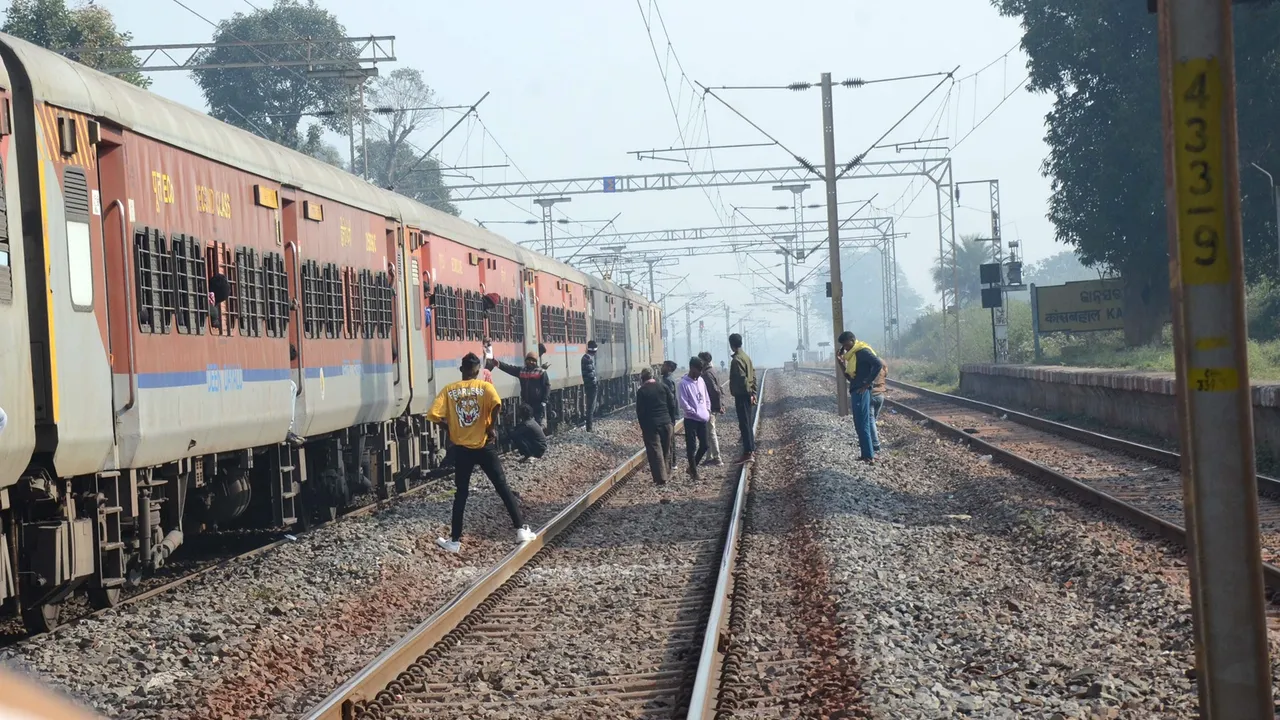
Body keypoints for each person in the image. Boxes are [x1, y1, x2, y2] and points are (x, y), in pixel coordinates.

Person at [429, 353, 536, 553]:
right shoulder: (485, 387)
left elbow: (434, 415)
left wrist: (449, 429)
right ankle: (521, 529)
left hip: (462, 449)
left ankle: (454, 541)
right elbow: (497, 404)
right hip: (485, 446)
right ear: (478, 371)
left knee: (461, 493)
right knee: (502, 486)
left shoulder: (449, 390)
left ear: (461, 370)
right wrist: (490, 427)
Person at [838, 331, 885, 463]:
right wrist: (841, 363)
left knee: (863, 423)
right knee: (858, 423)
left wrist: (867, 383)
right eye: (843, 346)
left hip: (861, 391)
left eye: (846, 345)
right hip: (856, 390)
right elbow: (849, 377)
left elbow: (878, 364)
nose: (845, 348)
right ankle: (865, 454)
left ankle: (869, 455)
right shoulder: (853, 356)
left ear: (852, 341)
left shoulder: (862, 351)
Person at [635, 367, 677, 486]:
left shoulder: (642, 391)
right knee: (666, 449)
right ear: (653, 376)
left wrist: (643, 427)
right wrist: (671, 421)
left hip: (651, 425)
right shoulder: (663, 387)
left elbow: (640, 412)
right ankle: (667, 474)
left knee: (655, 452)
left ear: (642, 378)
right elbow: (672, 404)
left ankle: (661, 478)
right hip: (666, 423)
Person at [489, 351, 552, 428]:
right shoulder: (522, 371)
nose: (531, 362)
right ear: (526, 361)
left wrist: (544, 401)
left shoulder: (541, 372)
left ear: (536, 362)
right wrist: (498, 364)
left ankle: (538, 436)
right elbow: (510, 368)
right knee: (527, 422)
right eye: (529, 360)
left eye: (533, 361)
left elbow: (547, 387)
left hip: (538, 403)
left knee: (537, 422)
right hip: (526, 402)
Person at [677, 357, 712, 480]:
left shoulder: (701, 380)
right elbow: (683, 403)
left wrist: (707, 410)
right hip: (691, 419)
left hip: (702, 418)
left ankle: (692, 467)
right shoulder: (683, 384)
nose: (700, 373)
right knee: (691, 447)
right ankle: (694, 472)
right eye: (698, 370)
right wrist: (694, 413)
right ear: (692, 368)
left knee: (705, 445)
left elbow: (706, 396)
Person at [728, 333, 757, 463]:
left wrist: (749, 392)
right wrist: (753, 393)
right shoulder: (746, 357)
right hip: (747, 394)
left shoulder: (737, 360)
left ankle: (748, 452)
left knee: (744, 424)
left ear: (731, 345)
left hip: (742, 395)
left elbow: (742, 379)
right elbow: (753, 375)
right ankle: (751, 449)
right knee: (747, 423)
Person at [697, 351, 724, 466]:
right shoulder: (712, 371)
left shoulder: (706, 374)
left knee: (711, 432)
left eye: (700, 360)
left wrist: (717, 406)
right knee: (708, 432)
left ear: (704, 361)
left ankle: (717, 458)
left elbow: (715, 391)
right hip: (713, 406)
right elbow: (719, 389)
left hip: (710, 407)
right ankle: (709, 457)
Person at [660, 360, 680, 470]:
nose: (661, 367)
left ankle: (672, 462)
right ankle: (672, 462)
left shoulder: (667, 380)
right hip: (671, 412)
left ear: (668, 368)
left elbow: (670, 398)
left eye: (663, 366)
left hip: (669, 413)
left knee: (669, 438)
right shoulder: (669, 378)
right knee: (670, 437)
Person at [870, 359, 888, 454]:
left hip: (871, 395)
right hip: (880, 395)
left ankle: (875, 443)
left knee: (871, 420)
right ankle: (872, 438)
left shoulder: (869, 363)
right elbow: (886, 375)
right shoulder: (883, 364)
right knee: (874, 419)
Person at [582, 340, 599, 431]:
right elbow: (591, 374)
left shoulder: (585, 358)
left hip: (588, 385)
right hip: (591, 386)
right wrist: (595, 383)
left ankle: (589, 426)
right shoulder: (587, 359)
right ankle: (589, 427)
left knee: (590, 406)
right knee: (591, 407)